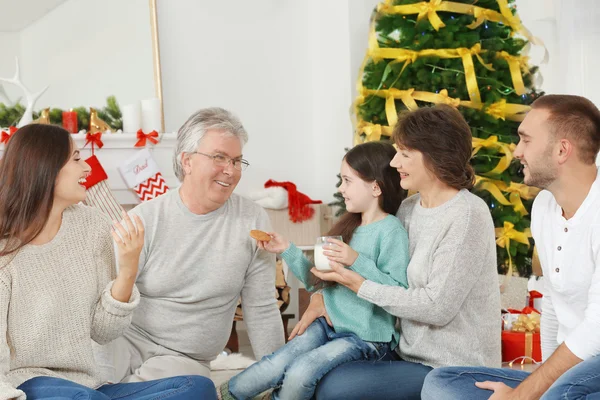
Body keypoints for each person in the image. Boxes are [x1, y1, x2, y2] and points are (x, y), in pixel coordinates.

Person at [295, 104, 501, 399]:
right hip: (403, 351)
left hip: (449, 366)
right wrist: (320, 298)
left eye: (405, 153)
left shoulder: (467, 215)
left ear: (435, 156)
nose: (393, 162)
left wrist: (360, 285)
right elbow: (371, 261)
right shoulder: (407, 209)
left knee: (336, 389)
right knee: (315, 371)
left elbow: (436, 307)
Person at [0, 124, 216, 399]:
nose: (87, 169)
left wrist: (127, 270)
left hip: (89, 387)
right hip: (28, 384)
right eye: (77, 159)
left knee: (196, 387)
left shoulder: (93, 226)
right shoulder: (6, 253)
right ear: (46, 167)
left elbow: (103, 332)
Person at [421, 95, 600, 399]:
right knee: (442, 383)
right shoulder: (544, 206)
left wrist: (524, 394)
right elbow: (553, 303)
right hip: (571, 372)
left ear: (561, 150)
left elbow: (595, 331)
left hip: (594, 361)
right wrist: (541, 381)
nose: (517, 152)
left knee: (557, 393)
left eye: (526, 140)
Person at [218, 141, 410, 400]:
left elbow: (397, 291)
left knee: (301, 373)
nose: (341, 189)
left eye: (347, 181)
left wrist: (355, 261)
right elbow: (316, 281)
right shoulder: (349, 227)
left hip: (366, 338)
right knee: (274, 364)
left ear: (375, 187)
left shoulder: (391, 231)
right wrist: (286, 248)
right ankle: (219, 396)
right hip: (328, 323)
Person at [114, 107, 285, 382]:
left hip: (184, 359)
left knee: (192, 389)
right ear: (187, 161)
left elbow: (261, 307)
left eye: (237, 160)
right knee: (84, 378)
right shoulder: (145, 219)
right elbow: (109, 301)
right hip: (126, 343)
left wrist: (280, 379)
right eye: (219, 157)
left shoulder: (253, 220)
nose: (230, 171)